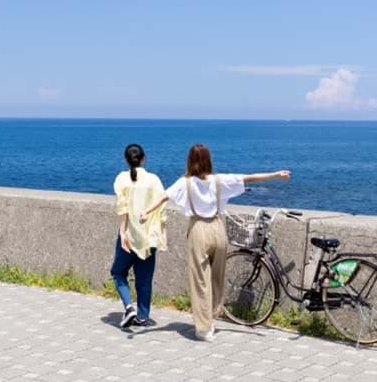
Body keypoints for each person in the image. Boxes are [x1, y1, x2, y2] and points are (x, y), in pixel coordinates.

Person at [141, 144, 289, 341]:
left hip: (198, 229)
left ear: (190, 161)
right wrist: (276, 174)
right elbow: (249, 177)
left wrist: (146, 212)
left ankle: (204, 328)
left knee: (200, 280)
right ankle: (212, 316)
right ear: (208, 160)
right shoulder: (220, 181)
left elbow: (163, 197)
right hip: (218, 230)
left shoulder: (185, 183)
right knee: (217, 278)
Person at [110, 143, 167, 329]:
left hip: (129, 234)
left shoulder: (122, 179)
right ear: (144, 158)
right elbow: (162, 208)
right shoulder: (154, 180)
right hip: (149, 236)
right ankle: (143, 317)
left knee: (118, 272)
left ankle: (129, 307)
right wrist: (162, 233)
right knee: (144, 279)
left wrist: (122, 233)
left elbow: (122, 209)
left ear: (126, 160)